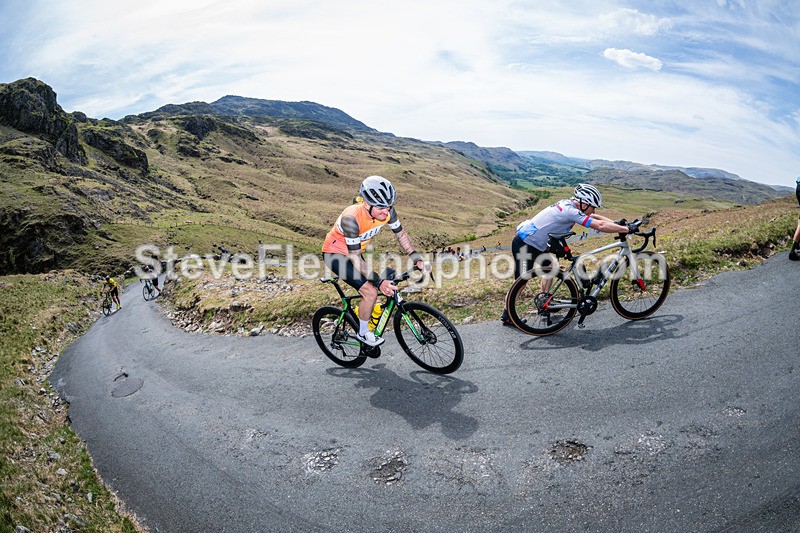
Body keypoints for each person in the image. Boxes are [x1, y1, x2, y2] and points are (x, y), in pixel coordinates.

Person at [500, 184, 632, 326]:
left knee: (552, 267)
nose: (594, 210)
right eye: (593, 206)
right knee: (520, 283)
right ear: (584, 203)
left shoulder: (571, 204)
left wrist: (616, 224)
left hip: (536, 243)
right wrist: (626, 229)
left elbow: (593, 216)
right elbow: (599, 226)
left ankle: (543, 303)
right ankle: (507, 315)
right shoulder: (571, 211)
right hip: (525, 244)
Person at [322, 176, 428, 346]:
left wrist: (416, 257)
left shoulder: (387, 211)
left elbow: (401, 235)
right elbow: (354, 258)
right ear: (366, 203)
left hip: (355, 252)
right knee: (371, 290)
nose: (386, 212)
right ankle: (363, 333)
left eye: (389, 206)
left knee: (384, 280)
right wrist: (379, 282)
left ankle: (363, 312)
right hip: (335, 254)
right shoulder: (351, 218)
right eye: (381, 207)